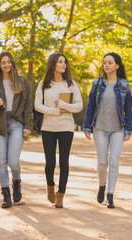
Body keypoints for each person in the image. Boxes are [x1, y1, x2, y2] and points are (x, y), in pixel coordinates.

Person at [83, 53, 132, 208]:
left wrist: (128, 129)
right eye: (105, 63)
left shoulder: (124, 84)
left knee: (114, 161)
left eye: (110, 63)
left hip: (118, 128)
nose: (106, 65)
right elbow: (90, 105)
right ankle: (102, 185)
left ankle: (110, 194)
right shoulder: (97, 83)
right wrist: (87, 125)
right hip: (100, 128)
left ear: (117, 65)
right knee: (102, 163)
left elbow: (128, 109)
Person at [34, 53, 83, 208]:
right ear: (53, 64)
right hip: (48, 126)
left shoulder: (71, 84)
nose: (64, 64)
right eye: (60, 62)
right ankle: (50, 186)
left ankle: (61, 194)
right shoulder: (43, 84)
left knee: (64, 161)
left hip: (66, 126)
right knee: (50, 162)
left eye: (65, 62)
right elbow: (37, 106)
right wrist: (55, 111)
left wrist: (64, 106)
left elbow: (79, 105)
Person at [0, 51, 32, 208]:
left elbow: (28, 107)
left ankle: (17, 183)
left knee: (13, 161)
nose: (6, 65)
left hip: (16, 124)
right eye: (3, 62)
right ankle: (6, 195)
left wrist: (28, 126)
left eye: (9, 62)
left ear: (12, 63)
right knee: (2, 162)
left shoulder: (22, 81)